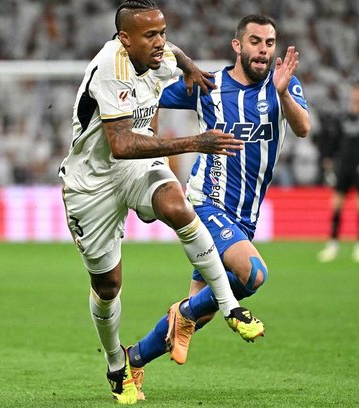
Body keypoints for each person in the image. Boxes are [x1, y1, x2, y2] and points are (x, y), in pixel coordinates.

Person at [58, 1, 264, 404]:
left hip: (137, 166)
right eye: (150, 35)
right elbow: (121, 145)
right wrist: (195, 144)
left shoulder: (161, 53)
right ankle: (117, 364)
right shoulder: (109, 68)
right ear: (124, 40)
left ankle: (229, 307)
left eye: (163, 31)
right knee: (108, 284)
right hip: (92, 181)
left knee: (178, 208)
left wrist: (187, 65)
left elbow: (175, 53)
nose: (161, 42)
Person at [125, 14, 311, 400]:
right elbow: (152, 90)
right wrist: (149, 138)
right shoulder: (207, 84)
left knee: (201, 310)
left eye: (270, 43)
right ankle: (185, 313)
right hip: (206, 204)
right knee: (253, 275)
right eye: (256, 41)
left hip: (245, 217)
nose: (263, 50)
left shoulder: (283, 85)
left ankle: (134, 360)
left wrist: (283, 95)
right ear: (237, 45)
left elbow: (304, 127)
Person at [317, 82, 359, 263]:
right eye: (356, 94)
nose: (358, 98)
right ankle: (332, 244)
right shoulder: (343, 118)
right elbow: (333, 142)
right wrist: (329, 164)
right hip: (344, 168)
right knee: (336, 205)